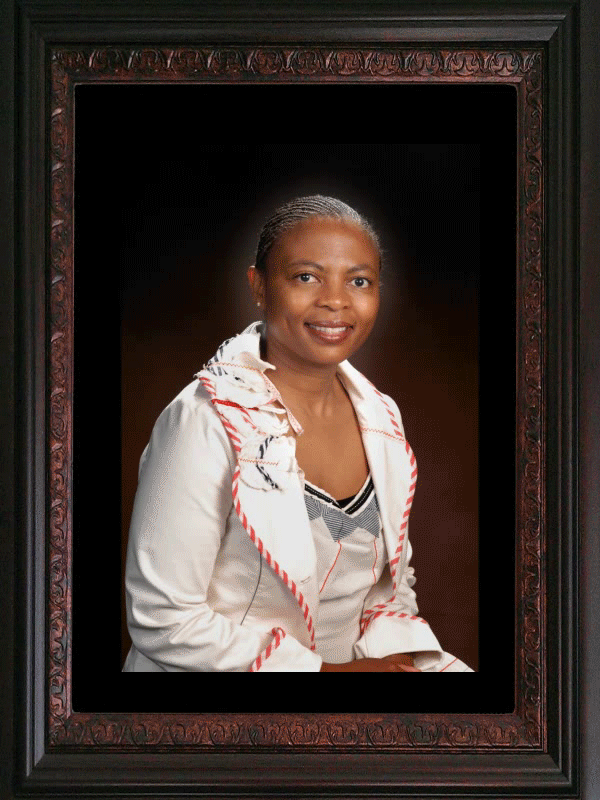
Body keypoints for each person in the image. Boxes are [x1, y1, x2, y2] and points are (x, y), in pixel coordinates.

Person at [123, 195, 474, 672]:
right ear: (258, 285)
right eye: (307, 277)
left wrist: (395, 660)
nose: (335, 301)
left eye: (359, 281)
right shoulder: (202, 421)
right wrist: (327, 677)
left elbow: (390, 587)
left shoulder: (382, 417)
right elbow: (163, 620)